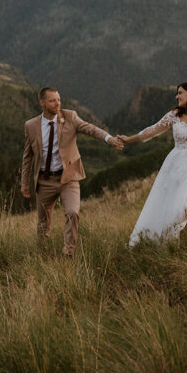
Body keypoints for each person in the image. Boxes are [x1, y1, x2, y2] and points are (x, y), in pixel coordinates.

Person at [118, 81, 187, 246]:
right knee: (176, 210)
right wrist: (129, 139)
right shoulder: (174, 115)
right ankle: (179, 244)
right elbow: (151, 131)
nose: (177, 96)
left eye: (180, 93)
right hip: (176, 167)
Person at [21, 87, 123, 256]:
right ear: (42, 103)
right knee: (43, 224)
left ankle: (68, 252)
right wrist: (24, 182)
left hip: (68, 178)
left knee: (73, 212)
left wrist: (109, 139)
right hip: (45, 181)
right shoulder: (31, 126)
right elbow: (27, 156)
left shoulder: (70, 117)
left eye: (59, 99)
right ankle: (43, 254)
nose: (58, 103)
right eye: (53, 100)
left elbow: (90, 129)